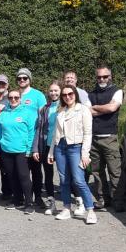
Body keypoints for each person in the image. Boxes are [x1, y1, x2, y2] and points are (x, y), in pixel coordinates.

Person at [48, 85, 97, 224]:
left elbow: (88, 133)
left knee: (79, 180)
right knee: (64, 180)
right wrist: (51, 152)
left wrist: (85, 154)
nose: (67, 96)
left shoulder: (83, 110)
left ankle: (90, 210)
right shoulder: (60, 111)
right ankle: (66, 208)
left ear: (75, 94)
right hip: (60, 148)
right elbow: (55, 134)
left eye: (70, 93)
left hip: (76, 147)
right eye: (64, 95)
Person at [0, 88, 38, 214]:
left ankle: (29, 202)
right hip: (6, 150)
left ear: (20, 99)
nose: (13, 100)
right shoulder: (2, 114)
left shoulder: (26, 113)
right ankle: (18, 199)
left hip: (22, 151)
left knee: (23, 177)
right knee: (11, 176)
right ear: (8, 99)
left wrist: (29, 149)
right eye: (11, 97)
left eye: (16, 97)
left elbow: (31, 133)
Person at [87, 65, 126, 212]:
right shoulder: (91, 94)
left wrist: (96, 108)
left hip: (110, 137)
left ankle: (119, 201)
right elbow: (87, 111)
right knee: (97, 172)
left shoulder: (117, 91)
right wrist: (104, 108)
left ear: (110, 76)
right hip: (93, 138)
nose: (102, 79)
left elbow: (112, 108)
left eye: (105, 76)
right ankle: (103, 199)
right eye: (99, 77)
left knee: (115, 171)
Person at [31, 81, 60, 211]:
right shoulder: (44, 108)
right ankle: (51, 202)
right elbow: (39, 129)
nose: (53, 93)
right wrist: (36, 148)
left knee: (67, 174)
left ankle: (78, 201)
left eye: (56, 90)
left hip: (62, 145)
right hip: (47, 145)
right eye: (51, 91)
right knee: (48, 174)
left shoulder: (66, 106)